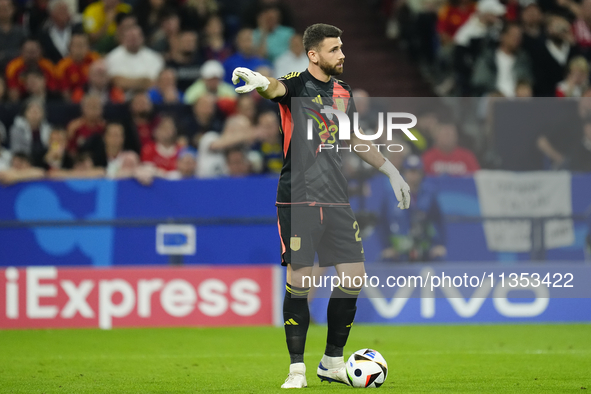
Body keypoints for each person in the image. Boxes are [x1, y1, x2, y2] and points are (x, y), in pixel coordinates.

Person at [231, 23, 410, 389]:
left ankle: (331, 362)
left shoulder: (343, 92)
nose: (342, 55)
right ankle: (296, 369)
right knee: (301, 281)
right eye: (334, 49)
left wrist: (392, 171)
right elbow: (274, 88)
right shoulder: (297, 85)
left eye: (341, 48)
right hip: (298, 198)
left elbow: (355, 137)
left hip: (336, 198)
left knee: (354, 278)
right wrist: (258, 79)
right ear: (313, 55)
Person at [105, 25, 164, 94]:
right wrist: (143, 81)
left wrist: (128, 82)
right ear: (123, 39)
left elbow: (155, 83)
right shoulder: (112, 57)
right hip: (121, 98)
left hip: (149, 98)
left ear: (142, 38)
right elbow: (117, 82)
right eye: (130, 37)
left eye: (136, 37)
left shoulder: (155, 58)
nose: (133, 40)